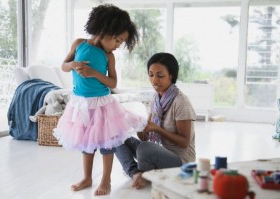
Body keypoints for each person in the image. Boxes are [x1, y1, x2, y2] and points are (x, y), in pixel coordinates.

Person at [53, 4, 145, 196]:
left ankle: (106, 179)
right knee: (86, 143)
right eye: (118, 40)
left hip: (102, 105)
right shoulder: (78, 44)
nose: (118, 46)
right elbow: (63, 65)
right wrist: (72, 64)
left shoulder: (108, 56)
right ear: (105, 31)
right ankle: (87, 177)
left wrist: (94, 73)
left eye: (122, 42)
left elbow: (113, 82)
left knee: (107, 143)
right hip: (80, 104)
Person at [115, 52, 196, 189]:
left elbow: (184, 142)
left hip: (180, 161)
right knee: (114, 136)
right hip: (158, 150)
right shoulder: (156, 99)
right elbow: (146, 138)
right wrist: (137, 125)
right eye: (151, 75)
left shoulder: (181, 101)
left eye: (160, 75)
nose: (154, 80)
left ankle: (142, 173)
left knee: (145, 149)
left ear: (171, 75)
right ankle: (136, 173)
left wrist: (158, 129)